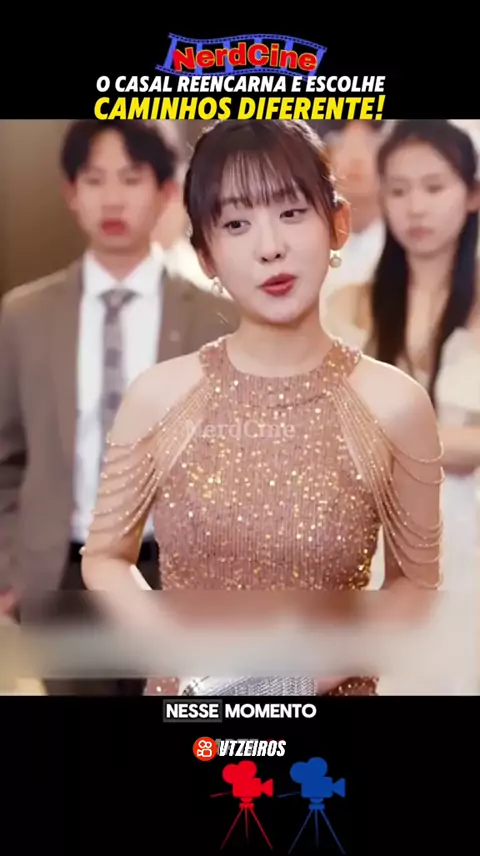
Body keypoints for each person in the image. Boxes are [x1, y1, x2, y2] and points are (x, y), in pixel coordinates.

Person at [81, 119, 443, 697]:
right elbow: (104, 557)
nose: (269, 245)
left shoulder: (395, 403)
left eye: (292, 212)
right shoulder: (158, 396)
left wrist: (289, 679)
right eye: (236, 223)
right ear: (205, 254)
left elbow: (416, 586)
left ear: (338, 224)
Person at [0, 118, 238, 695]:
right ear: (70, 192)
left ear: (165, 191)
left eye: (130, 179)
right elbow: (6, 456)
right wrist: (9, 566)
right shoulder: (25, 315)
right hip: (59, 572)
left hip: (176, 573)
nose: (111, 198)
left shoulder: (215, 318)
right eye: (94, 179)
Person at [326, 119, 480, 599]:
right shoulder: (348, 306)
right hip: (372, 545)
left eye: (434, 187)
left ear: (472, 195)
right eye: (398, 189)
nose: (415, 207)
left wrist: (397, 440)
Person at [309, 120, 387, 312]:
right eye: (343, 144)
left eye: (368, 145)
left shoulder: (407, 244)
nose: (355, 159)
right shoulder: (306, 239)